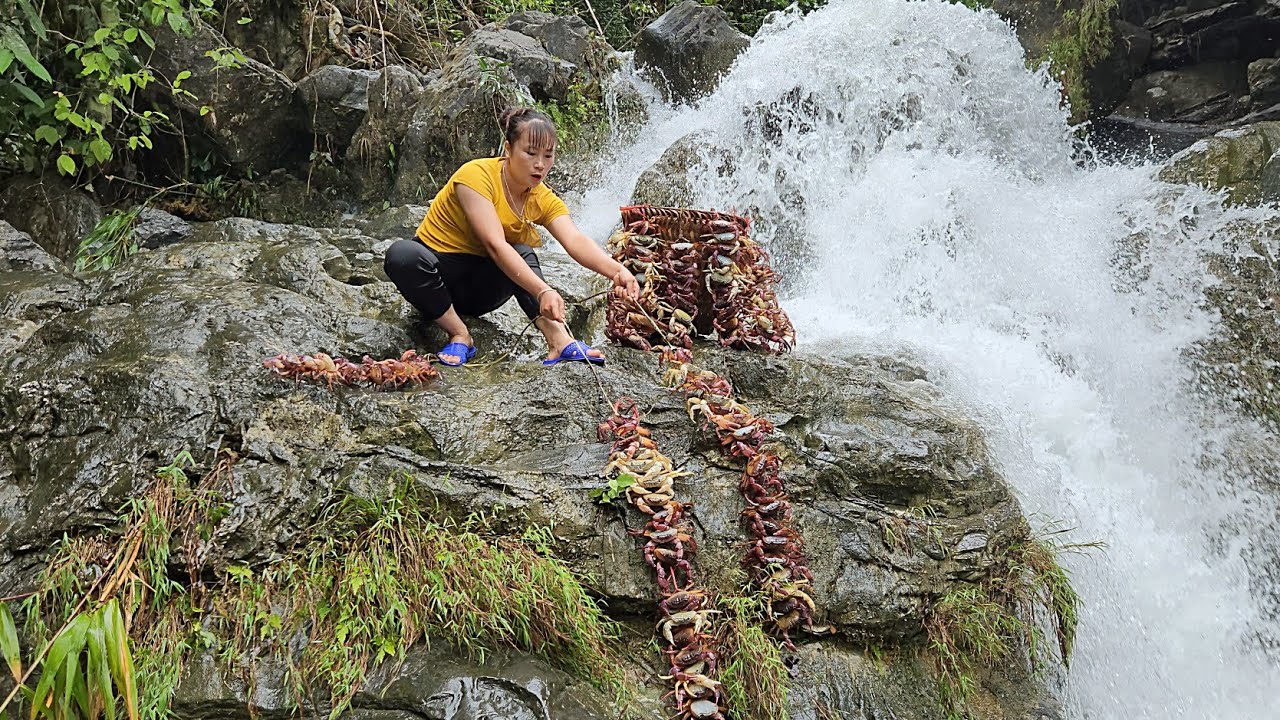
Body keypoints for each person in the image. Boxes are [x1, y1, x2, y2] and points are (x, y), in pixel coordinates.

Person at [383, 107, 640, 367]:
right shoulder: (475, 176)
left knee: (522, 251)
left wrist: (618, 272)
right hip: (437, 277)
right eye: (531, 153)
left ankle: (559, 340)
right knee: (402, 254)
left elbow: (575, 240)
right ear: (508, 149)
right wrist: (543, 290)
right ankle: (459, 334)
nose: (540, 164)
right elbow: (494, 244)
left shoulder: (541, 197)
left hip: (479, 289)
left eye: (548, 155)